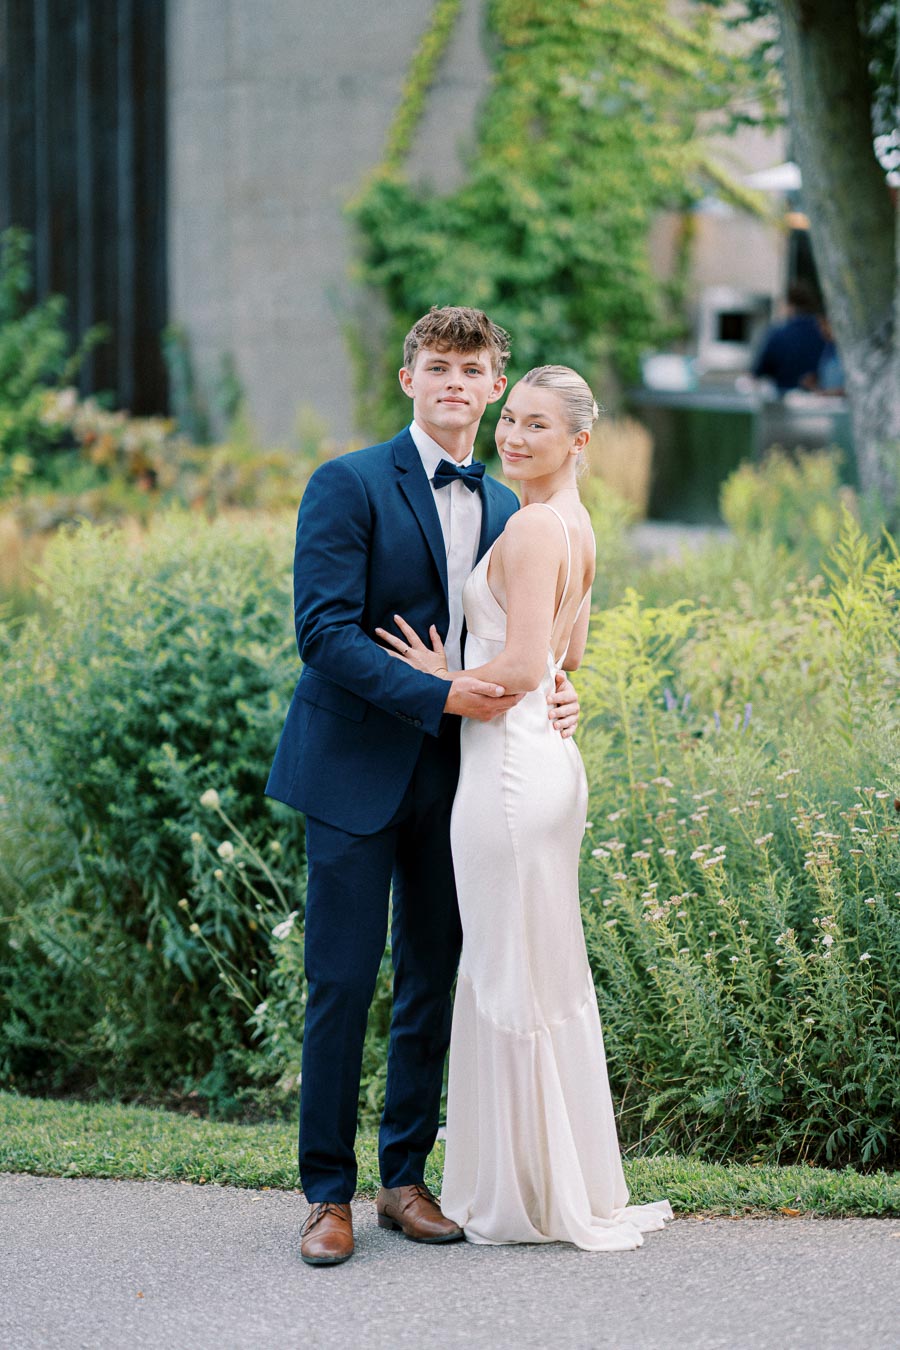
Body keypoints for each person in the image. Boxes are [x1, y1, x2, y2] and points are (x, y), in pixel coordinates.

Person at [265, 307, 581, 1266]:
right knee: (341, 983)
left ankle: (404, 1179)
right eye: (437, 366)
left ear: (493, 387)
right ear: (409, 380)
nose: (455, 382)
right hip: (357, 770)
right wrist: (444, 696)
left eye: (472, 369)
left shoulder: (508, 506)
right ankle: (327, 1197)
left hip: (467, 783)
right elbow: (323, 635)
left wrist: (561, 695)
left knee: (430, 983)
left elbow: (534, 640)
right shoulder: (348, 482)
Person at [378, 365, 672, 1250]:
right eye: (512, 421)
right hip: (545, 764)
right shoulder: (574, 525)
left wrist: (436, 677)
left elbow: (519, 672)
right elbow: (567, 659)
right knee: (541, 968)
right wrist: (544, 682)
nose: (514, 438)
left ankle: (517, 1195)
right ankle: (556, 1180)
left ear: (579, 441)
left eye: (538, 426)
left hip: (507, 774)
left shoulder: (537, 524)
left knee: (508, 972)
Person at [752, 281, 826, 393]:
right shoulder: (824, 332)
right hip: (819, 398)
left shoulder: (777, 333)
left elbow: (759, 371)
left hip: (783, 397)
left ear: (789, 305)